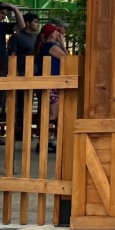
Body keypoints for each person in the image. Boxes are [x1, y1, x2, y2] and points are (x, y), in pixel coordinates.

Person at [33, 24, 69, 152]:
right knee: (52, 114)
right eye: (56, 32)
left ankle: (48, 140)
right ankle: (44, 141)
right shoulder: (51, 46)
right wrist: (62, 44)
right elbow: (68, 59)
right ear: (52, 34)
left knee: (53, 113)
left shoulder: (48, 46)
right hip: (52, 84)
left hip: (53, 83)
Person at [6, 12, 38, 133]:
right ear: (28, 23)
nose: (37, 24)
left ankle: (27, 127)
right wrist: (14, 72)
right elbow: (12, 55)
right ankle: (20, 128)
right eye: (35, 22)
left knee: (30, 102)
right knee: (21, 103)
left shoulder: (36, 36)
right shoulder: (17, 37)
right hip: (21, 73)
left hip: (34, 73)